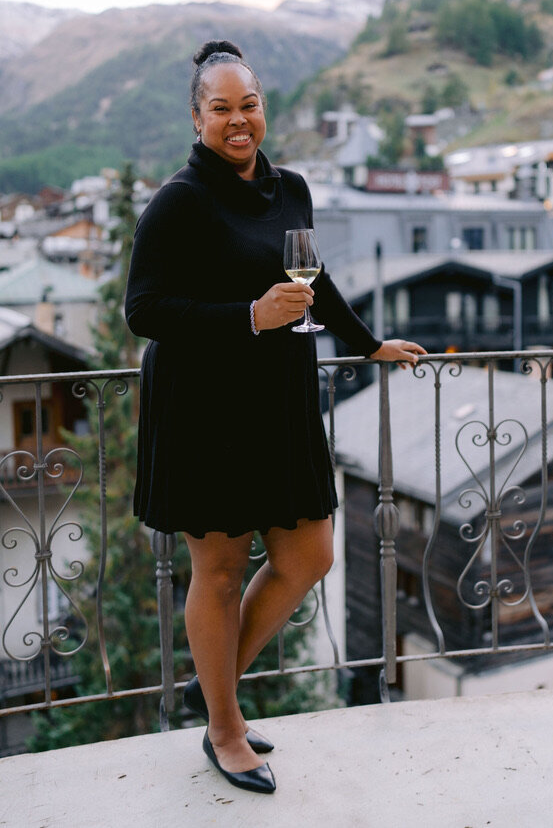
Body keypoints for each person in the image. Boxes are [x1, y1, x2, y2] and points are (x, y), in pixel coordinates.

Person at [125, 40, 426, 794]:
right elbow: (144, 310)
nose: (238, 120)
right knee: (219, 572)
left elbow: (311, 282)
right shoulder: (178, 201)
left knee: (309, 556)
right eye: (221, 108)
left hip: (279, 399)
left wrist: (369, 343)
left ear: (264, 110)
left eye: (248, 105)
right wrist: (249, 318)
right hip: (205, 403)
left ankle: (213, 684)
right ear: (196, 119)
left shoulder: (291, 187)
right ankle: (224, 728)